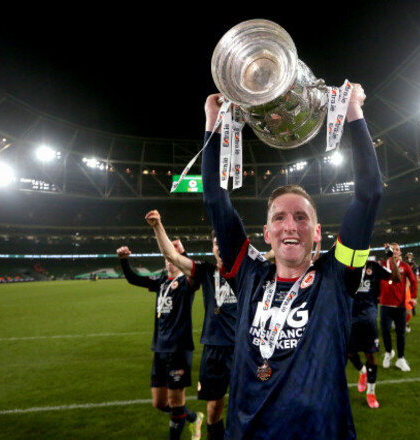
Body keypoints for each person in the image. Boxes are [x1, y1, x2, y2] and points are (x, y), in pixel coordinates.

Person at [202, 83, 382, 439]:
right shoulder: (248, 273)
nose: (290, 226)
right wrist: (212, 124)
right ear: (266, 233)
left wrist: (353, 114)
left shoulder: (337, 274)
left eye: (301, 218)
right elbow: (215, 199)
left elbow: (369, 193)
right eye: (279, 218)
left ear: (317, 233)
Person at [145, 210, 236, 440]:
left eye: (225, 241)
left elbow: (276, 255)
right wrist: (158, 226)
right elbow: (173, 256)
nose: (221, 246)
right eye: (217, 243)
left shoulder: (248, 269)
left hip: (243, 349)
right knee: (213, 410)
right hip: (213, 350)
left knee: (248, 407)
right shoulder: (206, 271)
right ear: (213, 247)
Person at [117, 240, 203, 440]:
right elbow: (133, 279)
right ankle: (193, 417)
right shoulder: (161, 281)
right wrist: (124, 260)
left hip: (179, 350)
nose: (169, 262)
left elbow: (196, 274)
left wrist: (183, 253)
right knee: (159, 403)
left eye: (173, 259)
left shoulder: (186, 283)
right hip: (160, 349)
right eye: (167, 258)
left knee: (175, 402)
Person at [348, 259, 393, 409]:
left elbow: (395, 278)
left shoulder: (374, 266)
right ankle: (362, 371)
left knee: (371, 354)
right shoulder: (346, 265)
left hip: (368, 317)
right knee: (349, 353)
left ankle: (371, 392)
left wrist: (391, 258)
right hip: (350, 317)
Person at [379, 242, 416, 371]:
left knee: (401, 333)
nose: (395, 251)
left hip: (400, 306)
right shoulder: (382, 265)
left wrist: (414, 297)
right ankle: (389, 353)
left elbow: (413, 281)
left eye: (397, 249)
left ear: (400, 253)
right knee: (385, 331)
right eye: (392, 249)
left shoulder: (405, 266)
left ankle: (401, 358)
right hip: (385, 304)